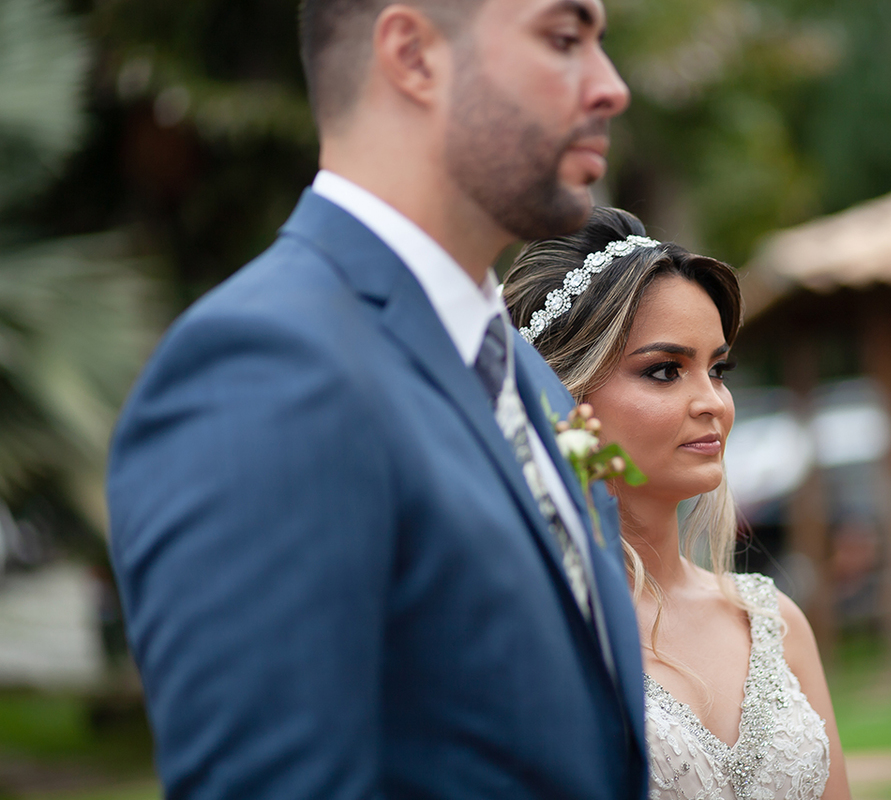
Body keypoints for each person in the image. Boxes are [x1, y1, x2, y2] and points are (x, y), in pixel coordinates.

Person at [106, 1, 648, 798]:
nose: (612, 87)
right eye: (564, 39)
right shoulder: (264, 371)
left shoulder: (526, 377)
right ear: (413, 55)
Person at [505, 207, 852, 800]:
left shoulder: (775, 621)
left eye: (718, 369)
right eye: (666, 371)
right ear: (562, 393)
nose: (712, 401)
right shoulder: (527, 628)